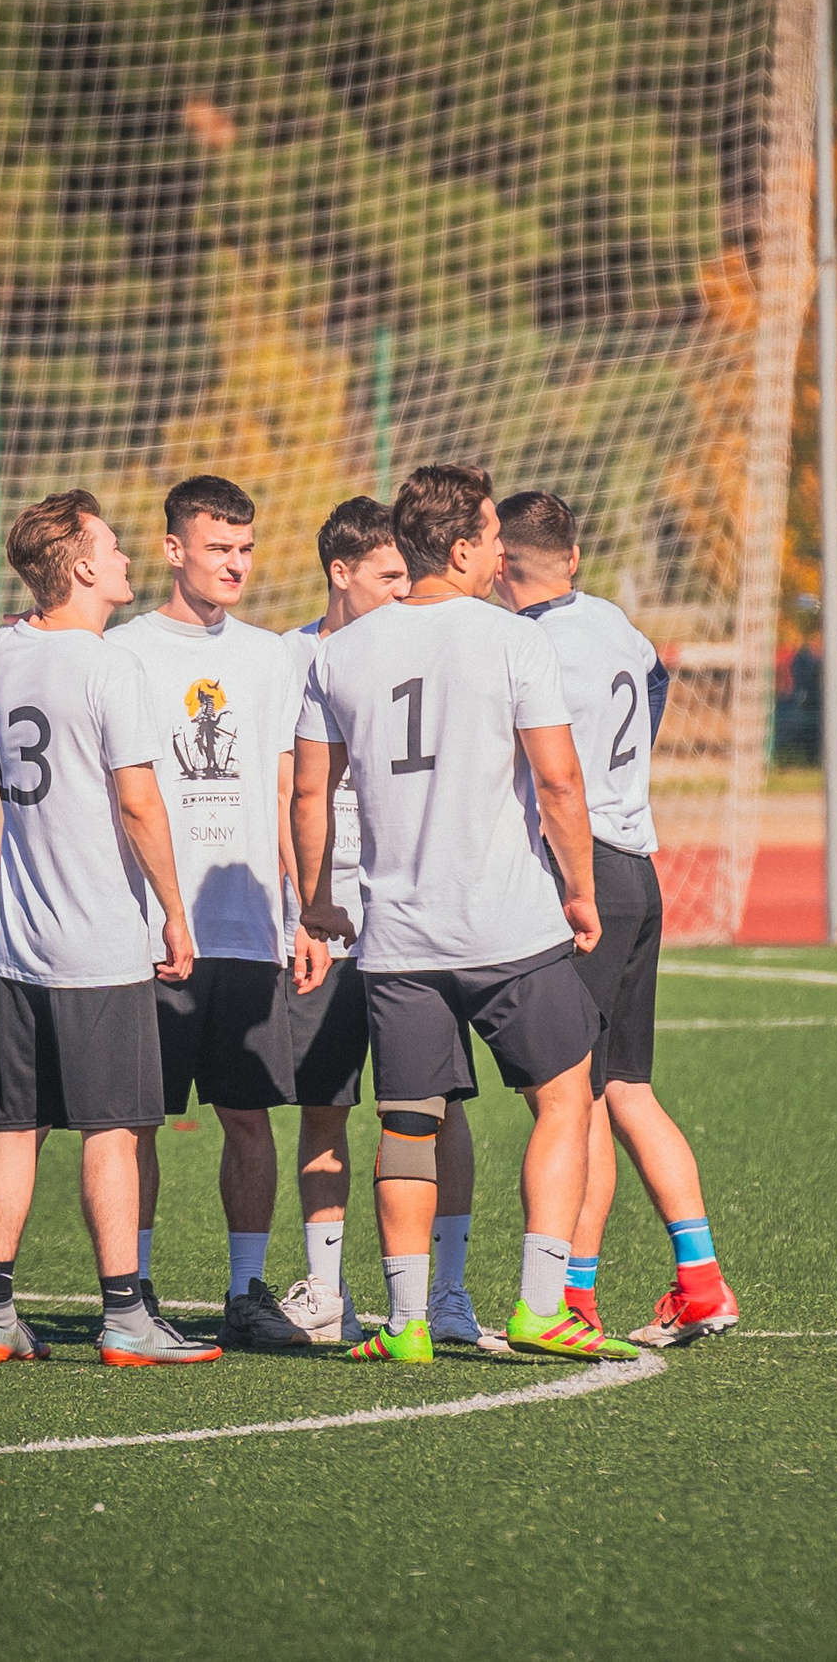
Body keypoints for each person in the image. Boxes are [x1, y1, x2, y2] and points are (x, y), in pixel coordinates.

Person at [292, 463, 635, 1363]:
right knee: (565, 1099)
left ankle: (405, 1321)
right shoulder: (513, 639)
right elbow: (559, 779)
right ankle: (538, 1302)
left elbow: (307, 791)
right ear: (459, 547)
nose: (498, 551)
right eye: (489, 535)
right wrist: (581, 889)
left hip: (400, 938)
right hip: (510, 928)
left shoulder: (338, 651)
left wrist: (316, 899)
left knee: (407, 1124)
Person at [0, 489, 214, 1367]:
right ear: (79, 567)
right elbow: (140, 803)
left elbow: (23, 635)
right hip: (98, 936)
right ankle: (123, 1316)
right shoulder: (110, 665)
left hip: (23, 938)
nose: (123, 560)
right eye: (109, 548)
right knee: (112, 1127)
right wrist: (175, 913)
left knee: (15, 1126)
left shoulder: (2, 651)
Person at [494, 490, 739, 1347]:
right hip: (637, 866)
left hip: (581, 874)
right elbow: (658, 681)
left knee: (576, 1099)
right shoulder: (616, 624)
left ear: (497, 562)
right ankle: (701, 1280)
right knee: (626, 1087)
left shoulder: (528, 644)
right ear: (570, 555)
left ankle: (574, 1298)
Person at [106, 475, 311, 1353]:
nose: (235, 563)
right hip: (155, 934)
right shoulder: (123, 651)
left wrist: (301, 911)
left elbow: (279, 788)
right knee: (137, 1118)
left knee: (249, 1115)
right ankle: (136, 1290)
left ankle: (245, 1289)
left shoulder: (269, 657)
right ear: (173, 549)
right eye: (217, 546)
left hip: (246, 929)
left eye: (245, 547)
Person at [268, 498, 420, 1346]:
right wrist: (303, 911)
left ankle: (442, 1295)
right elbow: (287, 794)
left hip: (407, 916)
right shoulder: (287, 658)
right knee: (323, 1107)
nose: (404, 591)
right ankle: (324, 1290)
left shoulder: (417, 645)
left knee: (426, 1108)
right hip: (326, 926)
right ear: (342, 571)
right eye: (389, 575)